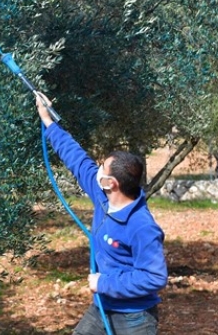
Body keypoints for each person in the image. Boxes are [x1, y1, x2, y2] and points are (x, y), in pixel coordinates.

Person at [34, 92, 168, 335]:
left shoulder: (141, 226)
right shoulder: (102, 196)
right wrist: (48, 121)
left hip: (135, 318)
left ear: (112, 183)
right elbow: (76, 159)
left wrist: (103, 283)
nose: (96, 170)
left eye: (102, 168)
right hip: (102, 309)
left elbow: (154, 277)